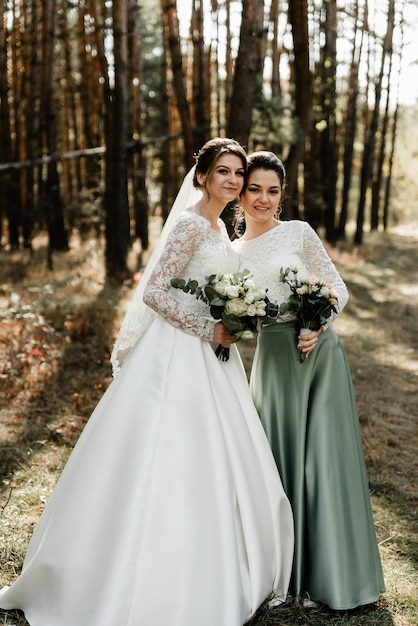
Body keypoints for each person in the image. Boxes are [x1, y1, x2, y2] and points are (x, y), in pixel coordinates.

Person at [0, 139, 294, 626]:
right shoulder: (189, 224)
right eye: (224, 171)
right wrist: (209, 327)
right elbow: (156, 291)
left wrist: (233, 317)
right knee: (161, 452)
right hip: (176, 352)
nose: (234, 181)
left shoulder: (221, 226)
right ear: (201, 176)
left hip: (214, 358)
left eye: (239, 173)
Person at [232, 150, 385, 610]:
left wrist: (317, 322)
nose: (263, 199)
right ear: (240, 192)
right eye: (254, 188)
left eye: (272, 191)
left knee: (326, 462)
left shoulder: (299, 233)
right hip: (273, 363)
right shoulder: (231, 252)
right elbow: (234, 320)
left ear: (282, 194)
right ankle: (286, 575)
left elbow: (337, 287)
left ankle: (341, 580)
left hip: (318, 355)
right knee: (278, 464)